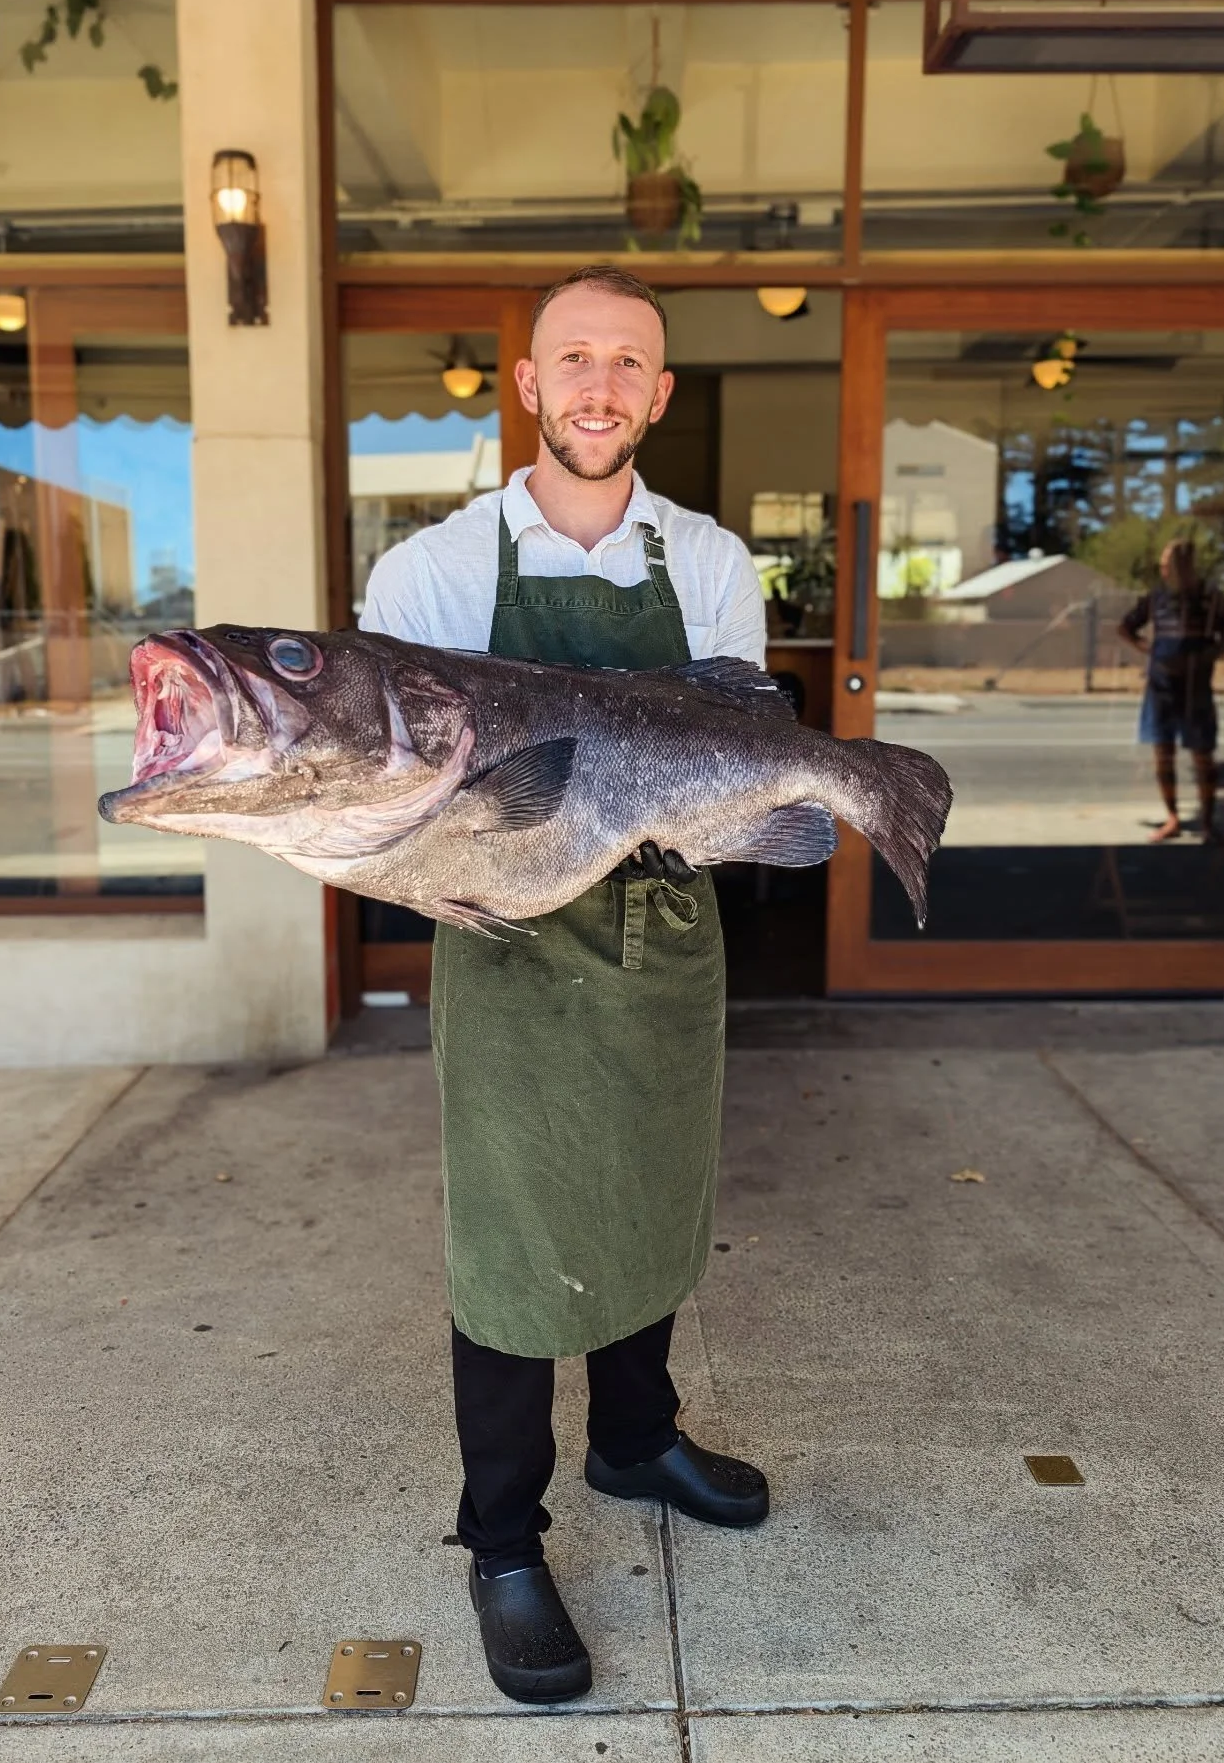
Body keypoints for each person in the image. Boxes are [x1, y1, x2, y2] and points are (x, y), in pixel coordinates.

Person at [360, 265, 769, 1704]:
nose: (600, 386)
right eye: (573, 358)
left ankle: (636, 1435)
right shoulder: (433, 575)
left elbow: (723, 767)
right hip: (506, 945)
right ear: (526, 383)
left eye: (629, 365)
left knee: (653, 1192)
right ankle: (504, 1539)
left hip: (662, 934)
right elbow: (388, 803)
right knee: (516, 1237)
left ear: (659, 395)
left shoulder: (710, 563)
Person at [1119, 537, 1224, 844]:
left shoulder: (1211, 598)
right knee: (1163, 752)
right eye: (1162, 564)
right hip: (1162, 686)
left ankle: (1209, 822)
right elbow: (1126, 627)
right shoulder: (1156, 597)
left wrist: (1210, 653)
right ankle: (1172, 816)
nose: (1163, 569)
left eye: (1168, 563)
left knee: (1203, 755)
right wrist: (1152, 651)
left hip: (1197, 685)